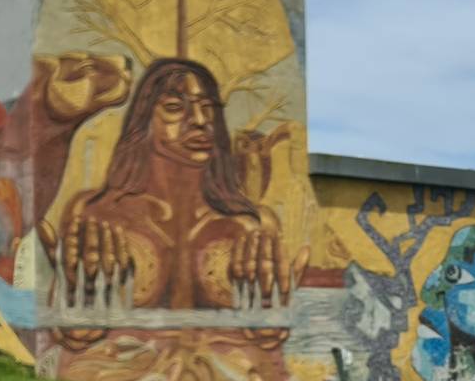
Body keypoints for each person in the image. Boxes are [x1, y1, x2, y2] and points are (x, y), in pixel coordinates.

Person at [47, 57, 298, 310]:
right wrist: (77, 309)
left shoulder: (253, 227)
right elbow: (64, 329)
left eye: (207, 107)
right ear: (144, 120)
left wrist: (270, 317)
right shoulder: (96, 216)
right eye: (175, 107)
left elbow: (271, 334)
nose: (199, 120)